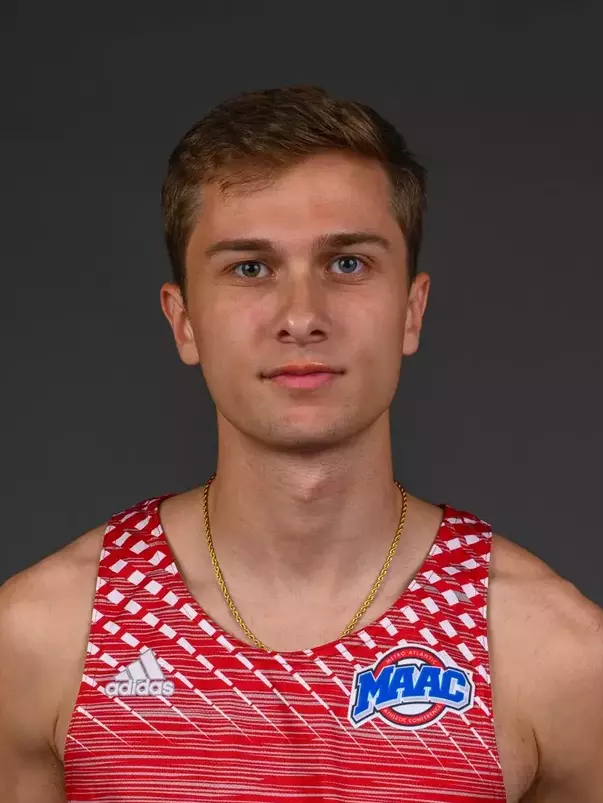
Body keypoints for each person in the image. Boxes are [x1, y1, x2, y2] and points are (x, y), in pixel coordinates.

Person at [1, 85, 601, 803]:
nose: (301, 316)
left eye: (346, 263)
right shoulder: (43, 638)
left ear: (410, 311)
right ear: (183, 320)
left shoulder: (553, 653)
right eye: (249, 267)